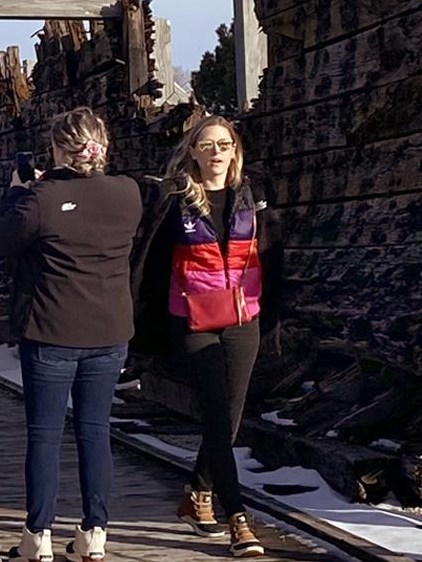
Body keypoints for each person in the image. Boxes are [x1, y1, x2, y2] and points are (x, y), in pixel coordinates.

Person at [0, 107, 141, 562]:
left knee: (46, 434)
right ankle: (95, 532)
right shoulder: (128, 193)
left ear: (57, 149)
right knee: (96, 431)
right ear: (103, 147)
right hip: (111, 330)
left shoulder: (41, 198)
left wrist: (18, 193)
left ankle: (39, 535)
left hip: (51, 329)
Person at [135, 115, 270, 557]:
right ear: (192, 151)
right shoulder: (174, 199)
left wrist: (275, 316)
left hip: (242, 317)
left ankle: (197, 491)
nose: (216, 153)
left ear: (235, 151)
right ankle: (239, 519)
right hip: (193, 319)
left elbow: (272, 255)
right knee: (215, 414)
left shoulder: (253, 195)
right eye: (207, 145)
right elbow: (150, 264)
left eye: (224, 145)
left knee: (229, 418)